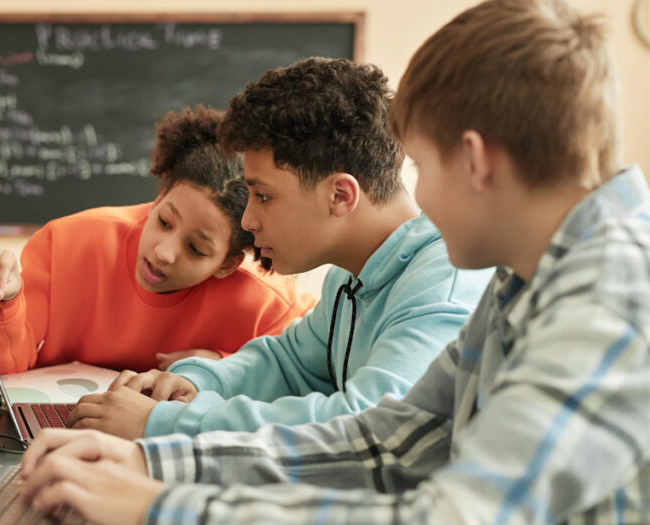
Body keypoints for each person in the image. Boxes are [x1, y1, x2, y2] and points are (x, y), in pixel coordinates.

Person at [18, 0, 650, 525]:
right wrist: (152, 464)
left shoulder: (610, 301)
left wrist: (161, 508)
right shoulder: (527, 279)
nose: (419, 196)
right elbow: (392, 442)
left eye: (424, 168)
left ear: (478, 160)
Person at [68, 58, 490, 439]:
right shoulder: (351, 274)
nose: (248, 221)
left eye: (263, 196)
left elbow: (368, 424)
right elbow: (289, 364)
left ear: (341, 195)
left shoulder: (445, 280)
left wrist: (165, 423)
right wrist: (196, 382)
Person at [0, 106, 316, 377]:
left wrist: (227, 366)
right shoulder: (65, 243)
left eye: (196, 249)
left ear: (227, 263)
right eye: (163, 221)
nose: (164, 252)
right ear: (158, 198)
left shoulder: (269, 304)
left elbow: (308, 375)